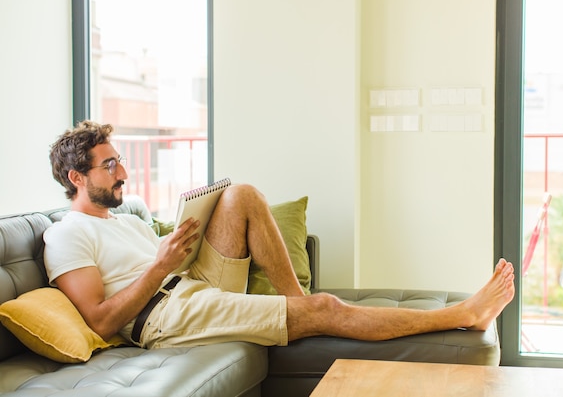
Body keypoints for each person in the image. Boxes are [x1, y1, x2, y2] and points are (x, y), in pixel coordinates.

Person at [44, 120, 515, 349]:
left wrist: (178, 251)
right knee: (328, 308)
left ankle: (297, 304)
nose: (123, 172)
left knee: (242, 195)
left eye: (120, 160)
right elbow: (101, 322)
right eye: (110, 166)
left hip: (187, 288)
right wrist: (161, 264)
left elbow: (164, 269)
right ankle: (464, 314)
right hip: (162, 318)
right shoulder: (66, 236)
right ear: (76, 179)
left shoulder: (125, 219)